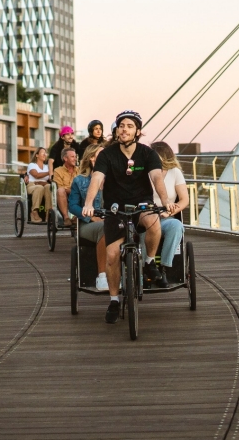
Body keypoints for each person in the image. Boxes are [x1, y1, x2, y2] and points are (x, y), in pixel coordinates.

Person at [82, 109, 174, 324]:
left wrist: (165, 200)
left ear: (138, 131)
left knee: (153, 222)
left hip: (142, 204)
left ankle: (150, 262)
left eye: (130, 126)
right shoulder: (107, 155)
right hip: (116, 209)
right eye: (121, 125)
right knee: (113, 255)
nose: (124, 129)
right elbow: (97, 178)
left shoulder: (147, 154)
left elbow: (157, 178)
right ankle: (114, 300)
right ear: (116, 130)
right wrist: (88, 204)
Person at [69, 145, 108, 290]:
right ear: (92, 158)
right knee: (106, 228)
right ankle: (102, 276)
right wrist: (91, 217)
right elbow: (73, 206)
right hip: (88, 224)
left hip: (113, 220)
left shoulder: (114, 179)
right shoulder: (80, 181)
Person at [150, 141, 189, 285]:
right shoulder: (145, 171)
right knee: (143, 229)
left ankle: (164, 268)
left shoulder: (175, 172)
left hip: (166, 214)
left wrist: (171, 211)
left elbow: (184, 199)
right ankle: (146, 267)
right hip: (147, 213)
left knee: (176, 226)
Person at [52, 147, 80, 226]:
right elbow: (60, 187)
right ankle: (66, 218)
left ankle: (76, 217)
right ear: (65, 158)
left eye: (75, 157)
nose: (75, 159)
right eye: (72, 157)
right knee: (60, 190)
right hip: (64, 195)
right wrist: (72, 190)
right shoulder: (58, 171)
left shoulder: (79, 170)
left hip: (77, 195)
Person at [25, 146, 52, 224]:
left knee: (49, 187)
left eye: (45, 153)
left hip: (44, 184)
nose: (45, 155)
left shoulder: (47, 166)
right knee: (39, 187)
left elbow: (50, 179)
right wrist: (49, 172)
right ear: (37, 155)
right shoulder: (32, 165)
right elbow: (36, 175)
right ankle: (34, 212)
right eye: (43, 153)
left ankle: (48, 212)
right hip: (32, 185)